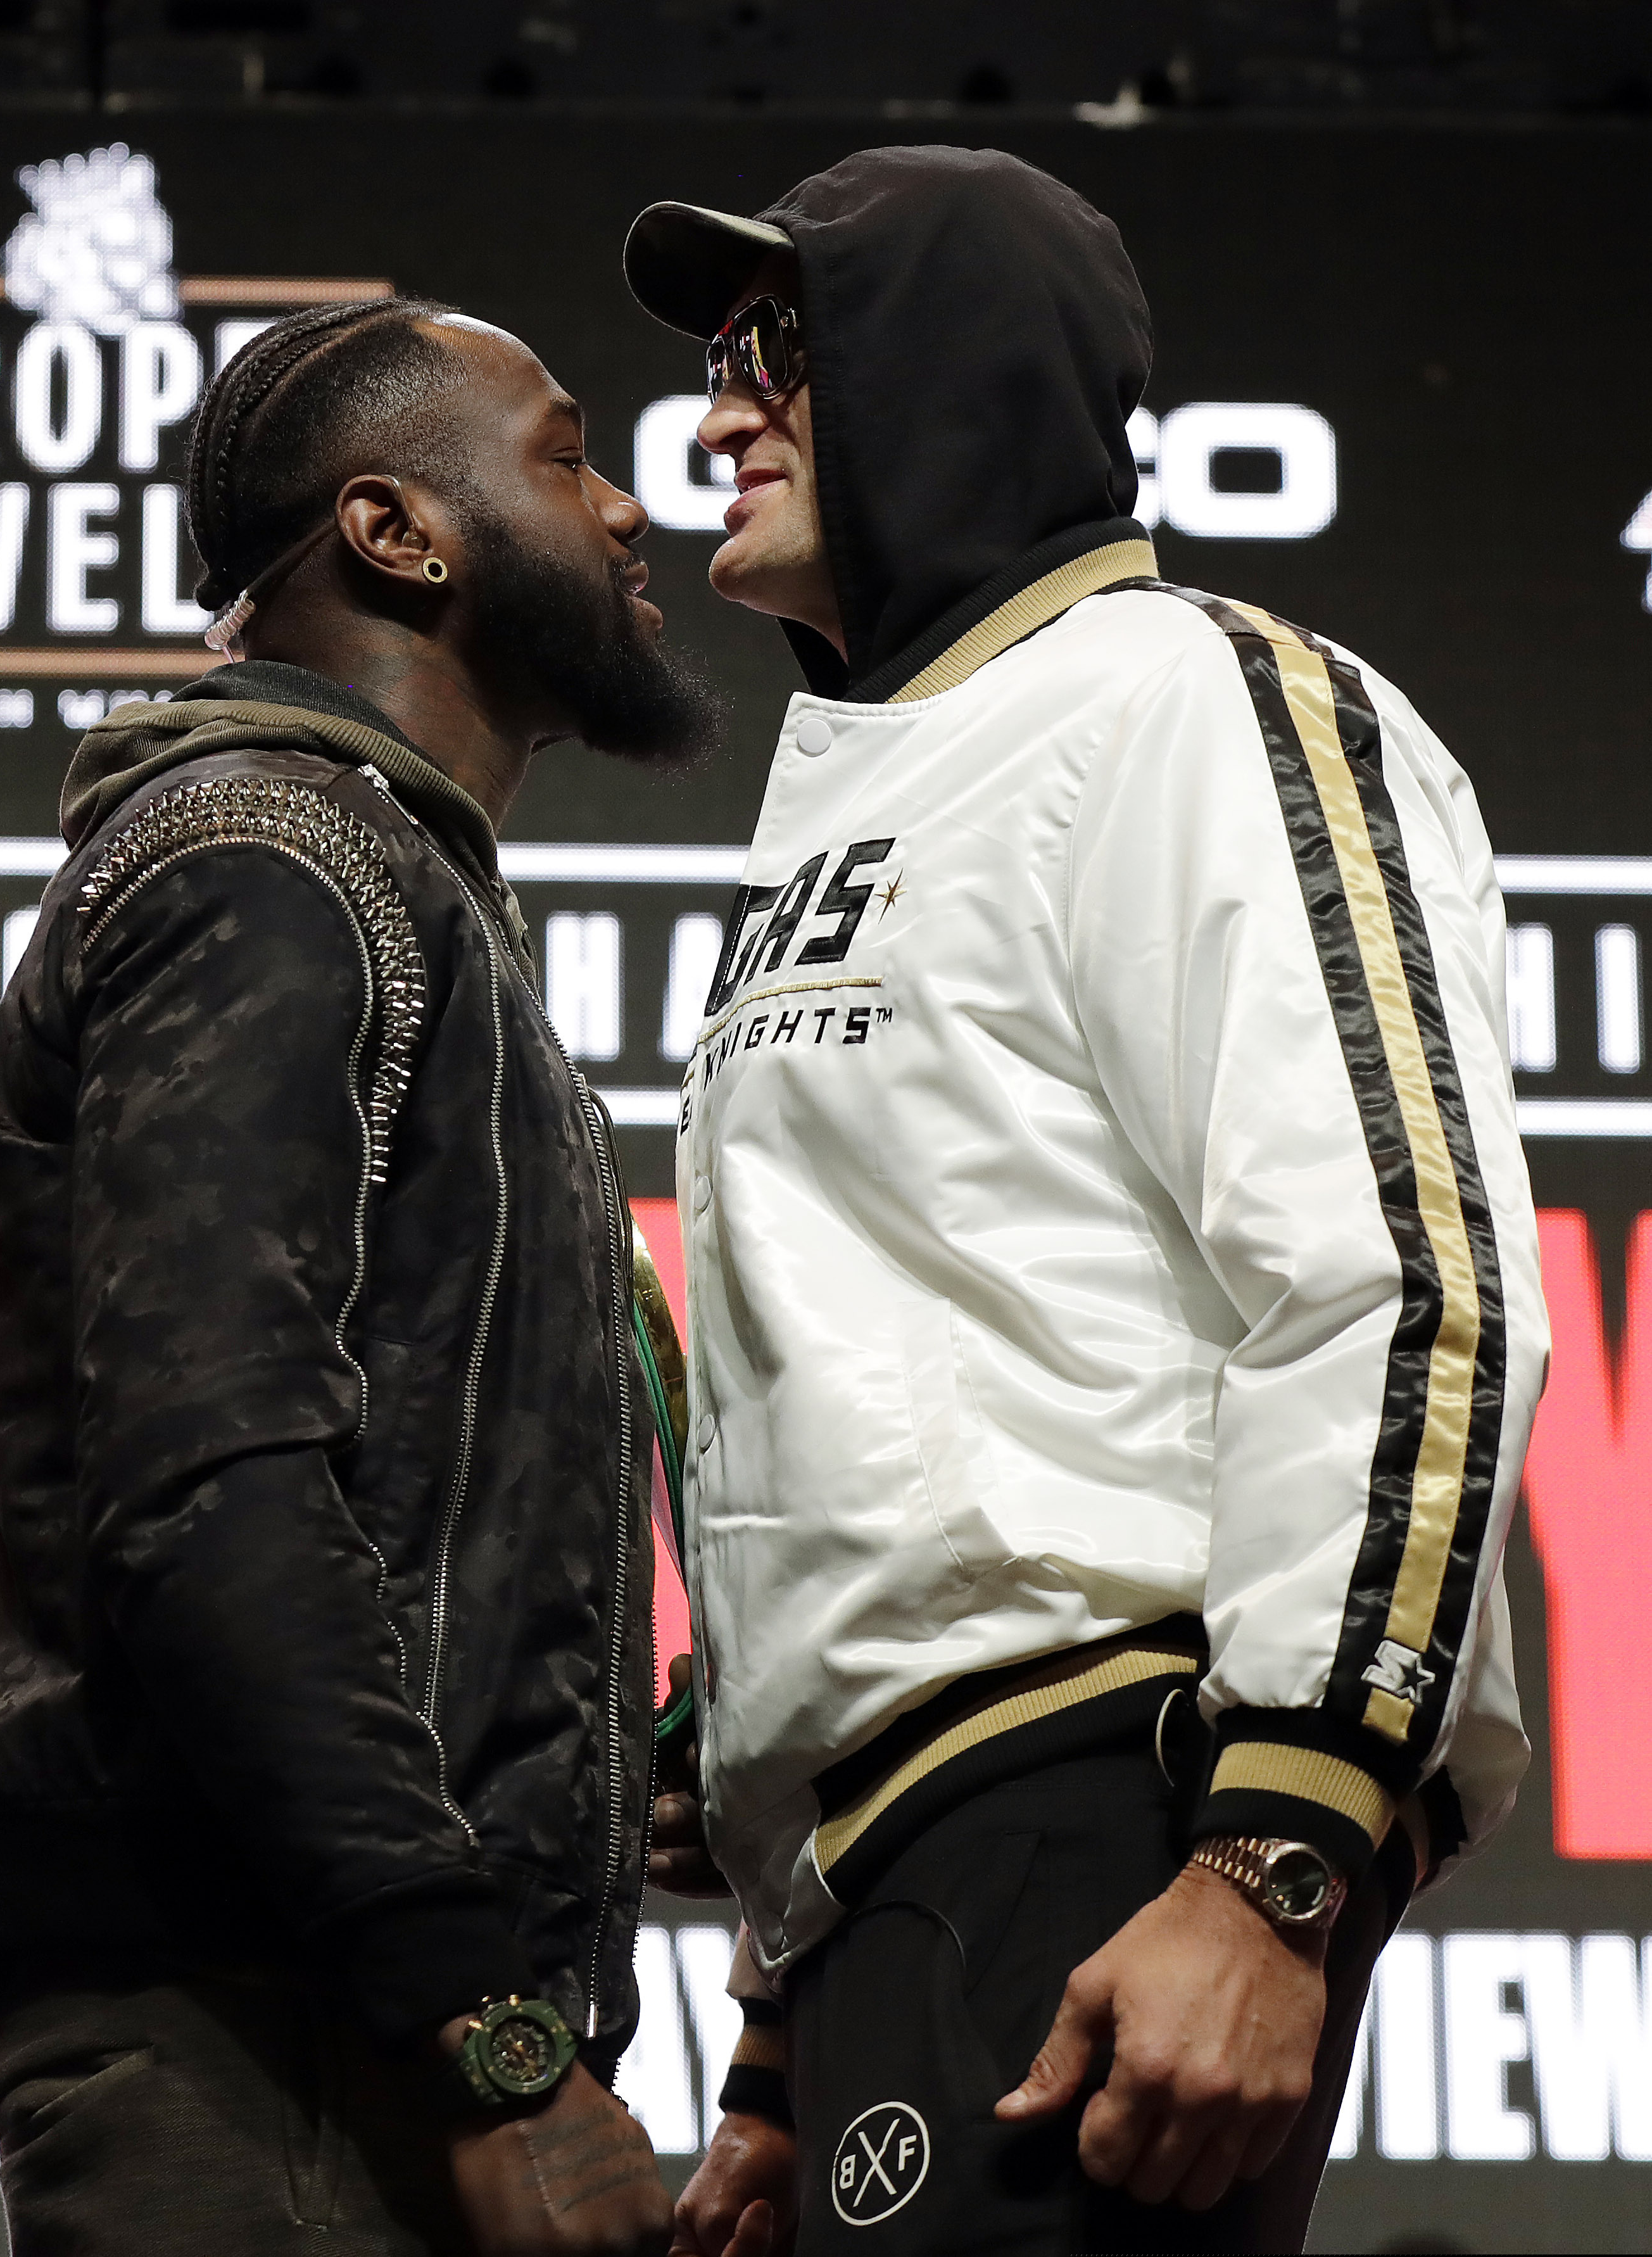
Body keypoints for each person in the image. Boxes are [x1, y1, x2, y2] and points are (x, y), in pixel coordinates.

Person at [623, 146, 1547, 2254]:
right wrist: (777, 2038)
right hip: (898, 1881)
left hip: (1118, 1809)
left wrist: (1277, 1862)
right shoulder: (873, 787)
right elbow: (889, 1442)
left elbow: (1401, 1278)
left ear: (943, 368)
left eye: (778, 347)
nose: (712, 417)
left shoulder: (1184, 696)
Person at [0, 296, 724, 2254]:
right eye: (561, 451)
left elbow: (392, 1510)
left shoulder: (376, 880)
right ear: (395, 531)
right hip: (270, 2034)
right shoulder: (264, 861)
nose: (628, 509)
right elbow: (215, 1486)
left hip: (337, 2003)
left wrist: (617, 1771)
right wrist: (479, 2030)